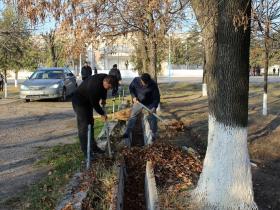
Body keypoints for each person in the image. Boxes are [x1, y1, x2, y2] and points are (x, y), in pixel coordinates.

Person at [72, 74, 116, 158]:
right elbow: (95, 104)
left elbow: (104, 90)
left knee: (91, 123)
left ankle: (93, 147)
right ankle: (86, 153)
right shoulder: (94, 87)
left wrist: (104, 99)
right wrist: (102, 114)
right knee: (84, 127)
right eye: (109, 87)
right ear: (105, 82)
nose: (109, 89)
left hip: (87, 101)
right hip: (79, 102)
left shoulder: (106, 77)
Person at [122, 73, 160, 141]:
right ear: (141, 80)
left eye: (146, 83)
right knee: (133, 115)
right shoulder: (135, 80)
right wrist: (133, 97)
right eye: (143, 82)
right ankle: (127, 133)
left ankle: (154, 134)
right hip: (138, 101)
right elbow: (131, 88)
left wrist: (154, 107)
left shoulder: (153, 84)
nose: (145, 84)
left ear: (149, 81)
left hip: (150, 103)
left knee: (153, 117)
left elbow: (157, 97)